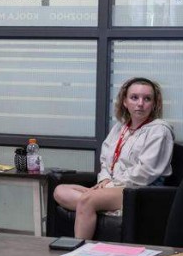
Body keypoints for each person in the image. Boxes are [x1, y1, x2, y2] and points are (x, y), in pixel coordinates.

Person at [53, 77, 174, 240]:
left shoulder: (160, 130)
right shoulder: (120, 128)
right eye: (134, 97)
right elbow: (106, 161)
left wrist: (110, 185)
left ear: (154, 104)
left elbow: (146, 172)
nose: (140, 103)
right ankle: (100, 205)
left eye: (147, 99)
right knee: (60, 191)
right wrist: (104, 180)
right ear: (125, 101)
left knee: (87, 200)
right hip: (112, 186)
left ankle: (80, 248)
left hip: (137, 190)